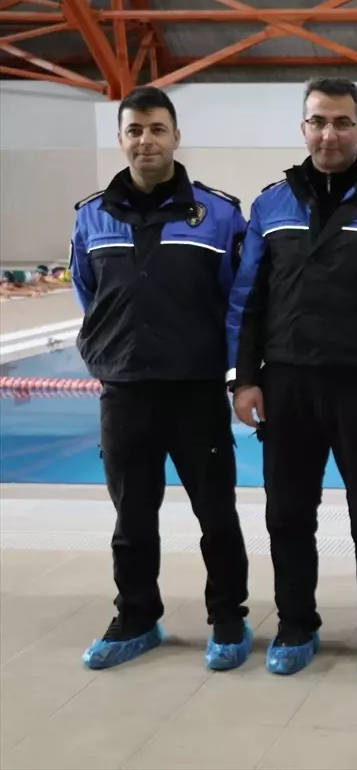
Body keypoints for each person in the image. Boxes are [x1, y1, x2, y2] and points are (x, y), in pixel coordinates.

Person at [225, 77, 357, 679]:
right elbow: (248, 299)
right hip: (286, 387)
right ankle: (294, 623)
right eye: (318, 121)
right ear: (303, 128)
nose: (329, 133)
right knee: (287, 514)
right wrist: (243, 379)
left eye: (341, 122)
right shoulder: (270, 204)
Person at [69, 86, 252, 671]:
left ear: (175, 135)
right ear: (120, 138)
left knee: (215, 512)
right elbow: (89, 294)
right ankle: (137, 616)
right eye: (133, 130)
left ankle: (228, 617)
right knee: (132, 516)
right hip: (124, 389)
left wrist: (228, 372)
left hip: (194, 390)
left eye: (155, 129)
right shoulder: (91, 214)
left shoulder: (219, 214)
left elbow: (237, 301)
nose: (144, 140)